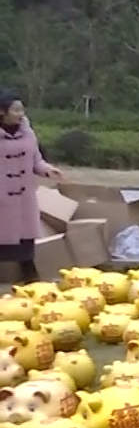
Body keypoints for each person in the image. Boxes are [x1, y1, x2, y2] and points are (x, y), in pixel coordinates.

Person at [0, 91, 63, 284]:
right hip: (2, 198)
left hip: (24, 197)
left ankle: (32, 282)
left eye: (22, 109)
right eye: (16, 109)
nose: (21, 113)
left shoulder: (28, 133)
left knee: (25, 244)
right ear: (2, 112)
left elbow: (36, 161)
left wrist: (48, 170)